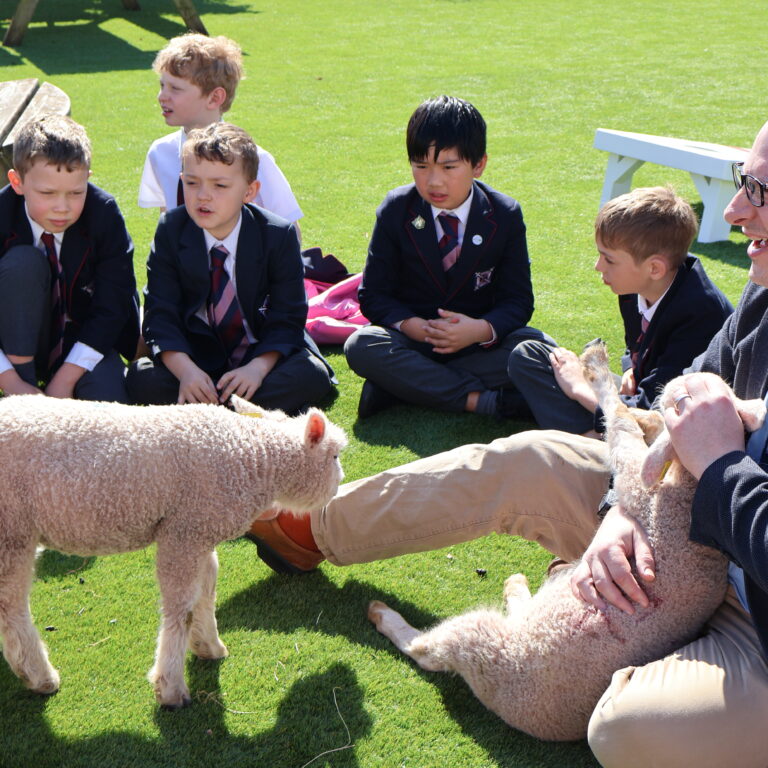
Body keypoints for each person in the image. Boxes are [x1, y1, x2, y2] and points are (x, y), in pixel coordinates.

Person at [249, 122, 768, 767]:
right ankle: (312, 529)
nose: (733, 209)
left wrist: (718, 466)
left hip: (752, 617)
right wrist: (618, 512)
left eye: (759, 190)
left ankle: (624, 638)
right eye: (744, 182)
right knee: (530, 455)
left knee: (623, 731)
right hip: (672, 525)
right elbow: (666, 411)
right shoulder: (760, 297)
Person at [344, 95, 551, 419]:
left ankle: (402, 387)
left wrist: (479, 329)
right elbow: (373, 295)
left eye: (449, 167)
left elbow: (518, 301)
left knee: (538, 349)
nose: (433, 181)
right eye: (421, 166)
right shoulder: (396, 209)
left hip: (479, 346)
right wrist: (413, 327)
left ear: (478, 164)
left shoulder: (505, 214)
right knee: (362, 345)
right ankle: (484, 401)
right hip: (413, 342)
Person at [126, 123, 333, 411]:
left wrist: (258, 368)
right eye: (191, 182)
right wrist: (186, 371)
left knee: (311, 375)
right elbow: (160, 314)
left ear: (249, 191)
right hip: (196, 359)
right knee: (141, 379)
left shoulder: (277, 234)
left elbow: (288, 316)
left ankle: (208, 414)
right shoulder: (171, 230)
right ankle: (235, 412)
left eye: (220, 185)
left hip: (260, 355)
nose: (203, 196)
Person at [507, 186, 733, 435]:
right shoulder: (636, 285)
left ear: (654, 268)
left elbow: (654, 415)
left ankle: (595, 442)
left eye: (609, 260)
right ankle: (593, 430)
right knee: (530, 354)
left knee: (572, 381)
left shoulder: (699, 313)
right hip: (638, 397)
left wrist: (579, 388)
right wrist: (629, 369)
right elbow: (634, 345)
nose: (598, 266)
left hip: (666, 423)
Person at [0, 115, 139, 402]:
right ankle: (24, 395)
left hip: (86, 341)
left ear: (87, 178)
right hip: (13, 345)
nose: (62, 207)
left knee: (108, 409)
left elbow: (114, 303)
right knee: (22, 264)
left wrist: (65, 380)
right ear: (17, 182)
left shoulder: (104, 214)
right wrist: (12, 381)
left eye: (76, 192)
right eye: (47, 193)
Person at [138, 33, 303, 227]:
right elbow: (167, 218)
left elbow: (290, 229)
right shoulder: (161, 152)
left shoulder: (255, 159)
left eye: (175, 88)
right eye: (162, 85)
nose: (162, 96)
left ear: (214, 98)